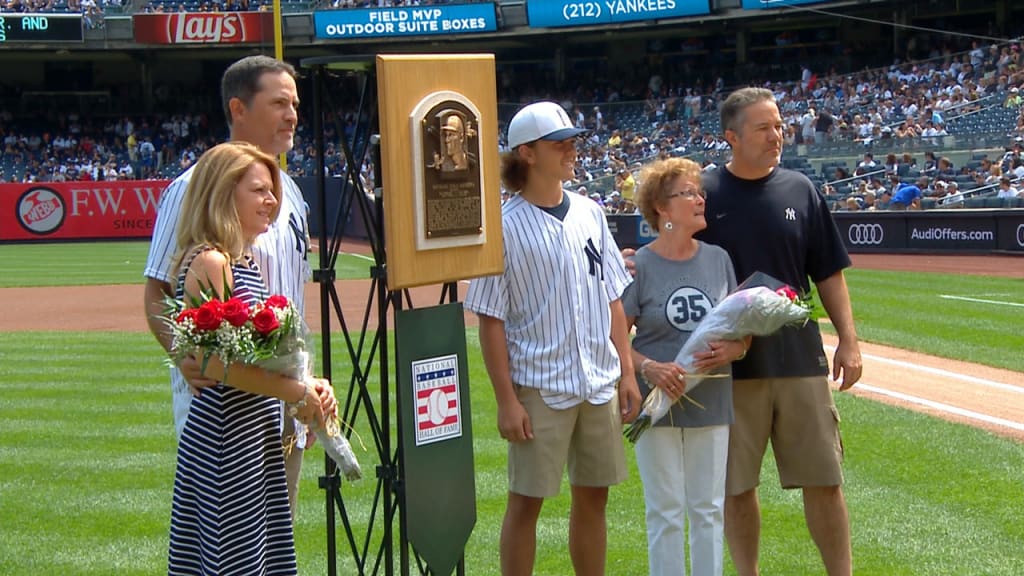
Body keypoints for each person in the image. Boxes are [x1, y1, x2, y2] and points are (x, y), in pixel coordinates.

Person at [464, 100, 641, 576]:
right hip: (541, 384)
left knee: (594, 497)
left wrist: (627, 372)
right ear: (527, 153)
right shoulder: (501, 224)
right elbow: (490, 319)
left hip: (598, 380)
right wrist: (506, 400)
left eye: (572, 141)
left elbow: (612, 300)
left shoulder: (590, 212)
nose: (571, 150)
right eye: (558, 143)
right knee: (526, 502)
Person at [700, 87, 862, 576]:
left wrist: (849, 341)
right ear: (732, 137)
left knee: (825, 479)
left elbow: (828, 272)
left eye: (779, 125)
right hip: (730, 367)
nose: (777, 136)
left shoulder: (800, 189)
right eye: (764, 128)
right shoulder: (703, 192)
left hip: (799, 360)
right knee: (736, 487)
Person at [143, 55, 313, 516]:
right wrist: (183, 354)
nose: (293, 114)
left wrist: (305, 387)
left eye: (294, 102)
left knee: (273, 549)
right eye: (279, 103)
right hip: (227, 414)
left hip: (284, 408)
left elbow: (295, 303)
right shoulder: (191, 187)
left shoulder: (289, 193)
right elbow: (157, 292)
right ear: (239, 108)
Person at [165, 141, 335, 575]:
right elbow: (215, 365)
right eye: (259, 190)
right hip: (226, 439)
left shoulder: (243, 261)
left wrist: (308, 386)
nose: (271, 200)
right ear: (223, 193)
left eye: (272, 190)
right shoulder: (211, 261)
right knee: (234, 562)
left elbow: (254, 357)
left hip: (252, 433)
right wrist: (297, 392)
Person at [622, 157, 747, 576]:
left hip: (711, 398)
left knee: (708, 508)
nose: (699, 200)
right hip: (656, 402)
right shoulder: (639, 264)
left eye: (700, 193)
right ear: (661, 207)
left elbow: (739, 331)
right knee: (665, 510)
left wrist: (736, 349)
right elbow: (616, 338)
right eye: (688, 193)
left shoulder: (718, 259)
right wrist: (649, 367)